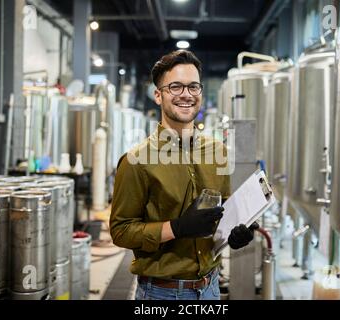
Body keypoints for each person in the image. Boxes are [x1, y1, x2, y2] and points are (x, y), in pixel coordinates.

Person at [110, 50, 256, 300]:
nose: (186, 94)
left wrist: (237, 230)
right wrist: (176, 228)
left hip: (210, 288)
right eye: (175, 87)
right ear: (158, 95)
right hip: (162, 293)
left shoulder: (217, 151)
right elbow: (121, 231)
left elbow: (225, 208)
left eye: (193, 87)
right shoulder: (136, 160)